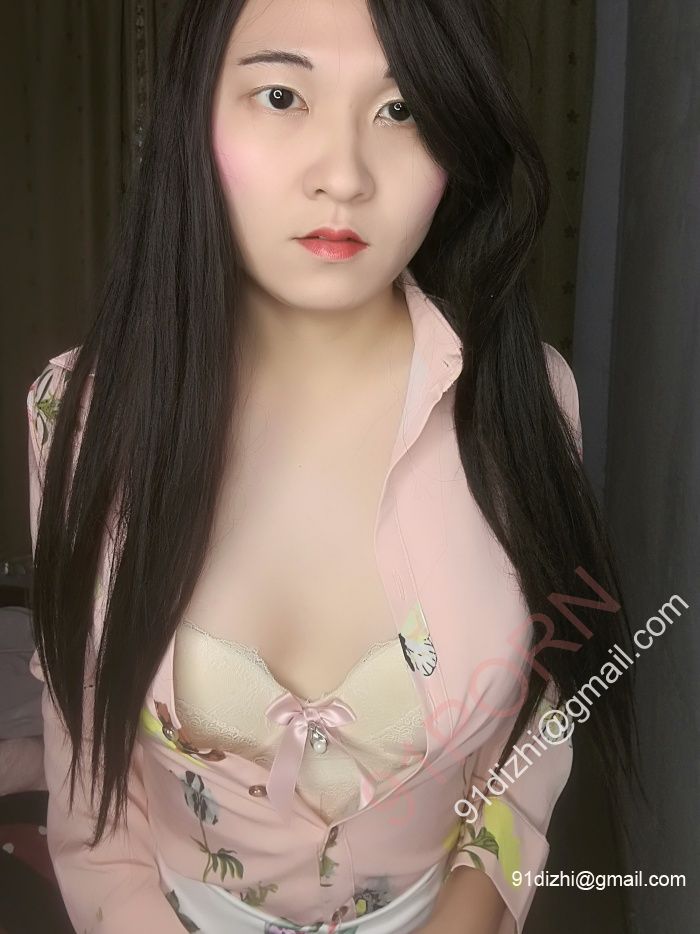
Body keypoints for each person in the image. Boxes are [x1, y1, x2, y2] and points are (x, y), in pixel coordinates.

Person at [27, 1, 643, 932]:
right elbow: (86, 774)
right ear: (197, 116)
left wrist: (475, 906)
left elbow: (540, 706)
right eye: (281, 96)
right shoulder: (78, 420)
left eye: (402, 110)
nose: (345, 176)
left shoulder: (528, 400)